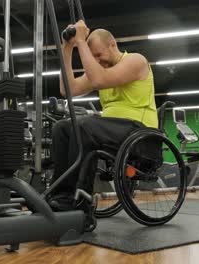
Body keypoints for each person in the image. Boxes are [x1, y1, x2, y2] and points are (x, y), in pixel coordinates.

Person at [48, 20, 158, 211]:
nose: (97, 61)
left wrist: (81, 41)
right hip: (115, 133)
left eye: (99, 55)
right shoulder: (102, 70)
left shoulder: (135, 60)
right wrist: (67, 49)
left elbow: (99, 79)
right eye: (93, 57)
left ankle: (80, 199)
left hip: (140, 133)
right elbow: (67, 89)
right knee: (62, 128)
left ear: (113, 44)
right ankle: (61, 193)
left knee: (85, 125)